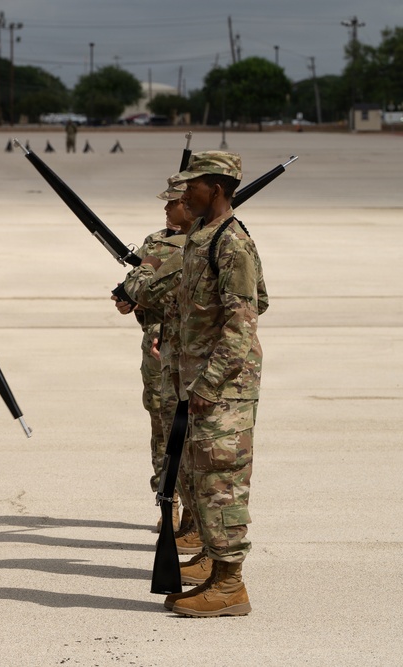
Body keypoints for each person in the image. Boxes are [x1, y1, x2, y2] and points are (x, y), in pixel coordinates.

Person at [162, 151, 268, 617]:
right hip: (198, 381)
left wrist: (210, 380)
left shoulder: (232, 242)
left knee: (222, 479)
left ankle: (231, 585)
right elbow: (253, 300)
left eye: (193, 186)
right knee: (199, 477)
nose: (185, 194)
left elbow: (243, 320)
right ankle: (215, 569)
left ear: (219, 189)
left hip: (222, 387)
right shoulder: (203, 237)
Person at [113, 178, 189, 532]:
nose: (165, 209)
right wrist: (128, 298)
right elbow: (134, 289)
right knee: (162, 427)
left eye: (171, 202)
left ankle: (195, 511)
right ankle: (167, 501)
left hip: (194, 346)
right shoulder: (154, 242)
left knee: (196, 432)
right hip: (158, 348)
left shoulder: (210, 242)